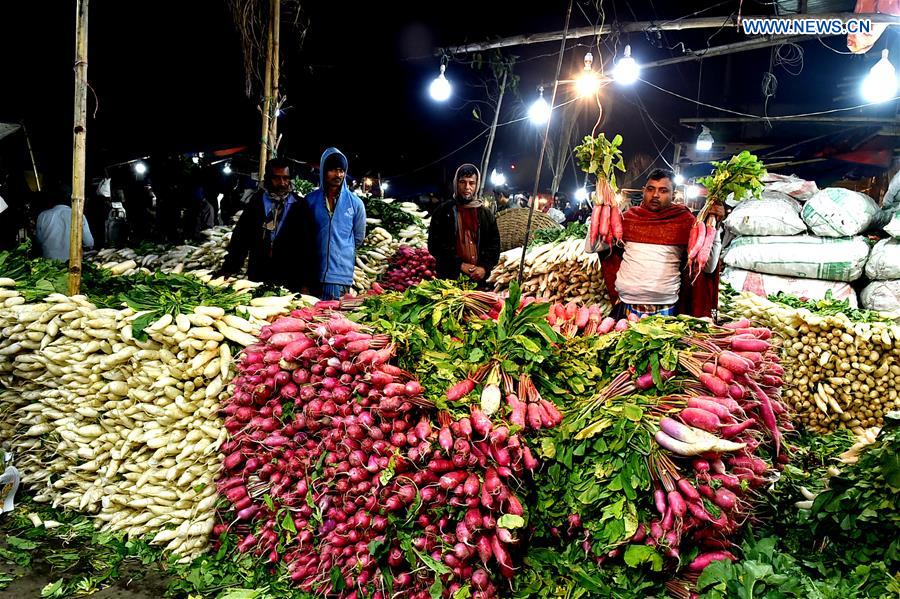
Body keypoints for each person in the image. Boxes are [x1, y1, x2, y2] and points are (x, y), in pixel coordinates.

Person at [600, 168, 724, 319]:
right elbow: (592, 248)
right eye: (651, 189)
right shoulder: (628, 218)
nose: (656, 195)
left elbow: (709, 268)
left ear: (673, 194)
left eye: (663, 190)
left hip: (666, 308)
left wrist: (715, 226)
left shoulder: (686, 221)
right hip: (627, 305)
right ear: (643, 191)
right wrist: (599, 210)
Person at [221, 158, 317, 292]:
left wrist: (306, 282)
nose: (282, 183)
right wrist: (229, 269)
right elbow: (240, 239)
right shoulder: (256, 203)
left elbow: (308, 246)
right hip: (259, 273)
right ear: (267, 178)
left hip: (289, 276)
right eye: (276, 178)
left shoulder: (300, 206)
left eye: (286, 178)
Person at [305, 148, 367, 300]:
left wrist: (340, 252)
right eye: (332, 170)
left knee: (332, 319)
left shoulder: (355, 203)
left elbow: (358, 238)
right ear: (324, 172)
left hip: (340, 276)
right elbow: (304, 237)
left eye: (341, 170)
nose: (338, 175)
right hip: (313, 274)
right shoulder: (310, 201)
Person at [428, 163, 501, 286]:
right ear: (456, 184)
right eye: (462, 182)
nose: (467, 187)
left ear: (476, 185)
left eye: (471, 183)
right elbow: (434, 246)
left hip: (479, 281)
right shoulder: (443, 211)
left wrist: (483, 268)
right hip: (449, 280)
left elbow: (494, 246)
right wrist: (459, 265)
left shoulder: (486, 214)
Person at [35, 193, 94, 261]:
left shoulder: (43, 215)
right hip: (73, 264)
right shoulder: (79, 215)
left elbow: (38, 242)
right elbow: (89, 243)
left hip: (49, 264)